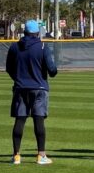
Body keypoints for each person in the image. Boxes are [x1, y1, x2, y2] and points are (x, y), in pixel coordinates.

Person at [6, 20, 57, 165]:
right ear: (37, 33)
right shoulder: (42, 46)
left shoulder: (15, 47)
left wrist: (18, 79)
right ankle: (41, 155)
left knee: (20, 120)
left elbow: (9, 68)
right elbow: (52, 70)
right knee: (38, 120)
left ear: (25, 32)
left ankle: (16, 155)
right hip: (39, 88)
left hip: (20, 87)